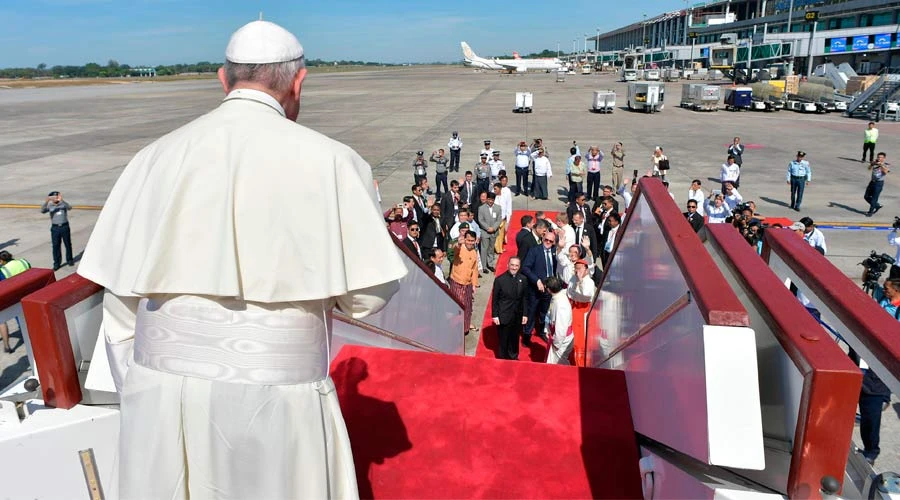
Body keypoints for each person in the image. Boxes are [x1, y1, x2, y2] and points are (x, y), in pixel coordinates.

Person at [76, 20, 409, 499]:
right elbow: (367, 297)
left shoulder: (153, 157)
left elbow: (121, 306)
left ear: (222, 78)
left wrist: (154, 385)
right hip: (279, 400)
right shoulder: (334, 161)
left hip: (162, 395)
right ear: (299, 82)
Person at [853, 274, 900, 465]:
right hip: (866, 354)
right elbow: (868, 282)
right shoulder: (883, 297)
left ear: (897, 290)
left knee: (870, 407)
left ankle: (872, 450)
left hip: (881, 363)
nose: (884, 289)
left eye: (888, 287)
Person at [522, 229, 559, 344]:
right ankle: (527, 334)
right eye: (546, 239)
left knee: (544, 311)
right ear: (543, 238)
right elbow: (525, 268)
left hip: (550, 289)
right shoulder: (534, 251)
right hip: (535, 288)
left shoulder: (555, 251)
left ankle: (541, 331)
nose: (548, 242)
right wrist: (537, 280)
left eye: (551, 241)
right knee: (532, 311)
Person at [491, 257, 529, 360]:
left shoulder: (523, 279)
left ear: (519, 267)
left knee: (514, 338)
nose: (514, 267)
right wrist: (495, 315)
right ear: (508, 265)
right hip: (504, 314)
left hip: (517, 315)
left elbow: (525, 298)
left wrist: (525, 314)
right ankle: (502, 358)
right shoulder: (500, 280)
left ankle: (514, 357)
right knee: (503, 339)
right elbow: (495, 299)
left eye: (516, 265)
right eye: (512, 265)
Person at [0, 251, 32, 353]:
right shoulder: (23, 262)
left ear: (2, 261)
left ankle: (29, 340)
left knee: (22, 321)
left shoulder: (2, 271)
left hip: (16, 298)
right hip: (31, 293)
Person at [449, 232, 479, 335]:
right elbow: (454, 249)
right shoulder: (460, 247)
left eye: (472, 241)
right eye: (468, 240)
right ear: (465, 239)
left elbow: (475, 269)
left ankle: (465, 328)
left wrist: (474, 284)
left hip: (468, 284)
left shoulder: (474, 252)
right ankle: (455, 328)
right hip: (457, 282)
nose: (470, 243)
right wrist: (458, 244)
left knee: (468, 307)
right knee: (458, 307)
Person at [568, 258, 595, 367]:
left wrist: (580, 282)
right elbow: (569, 292)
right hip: (573, 308)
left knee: (581, 339)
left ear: (586, 270)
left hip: (583, 311)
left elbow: (586, 295)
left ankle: (581, 363)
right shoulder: (573, 278)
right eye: (576, 269)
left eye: (579, 269)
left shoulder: (589, 282)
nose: (577, 271)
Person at [41, 190, 74, 271]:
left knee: (68, 244)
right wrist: (47, 201)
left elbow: (69, 207)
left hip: (64, 226)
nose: (56, 198)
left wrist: (62, 200)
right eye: (54, 197)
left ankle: (69, 260)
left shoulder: (63, 205)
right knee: (56, 246)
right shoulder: (50, 206)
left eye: (57, 197)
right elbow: (42, 210)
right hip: (55, 228)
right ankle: (57, 263)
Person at [545, 276, 574, 365]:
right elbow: (549, 314)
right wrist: (547, 329)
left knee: (559, 364)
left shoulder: (561, 304)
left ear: (549, 289)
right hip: (556, 336)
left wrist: (556, 343)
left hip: (562, 340)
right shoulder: (557, 297)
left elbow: (561, 327)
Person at [477, 192, 502, 273]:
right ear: (487, 199)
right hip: (485, 232)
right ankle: (484, 266)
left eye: (492, 200)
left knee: (491, 249)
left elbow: (499, 220)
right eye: (489, 199)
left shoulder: (498, 208)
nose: (490, 201)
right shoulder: (481, 208)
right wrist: (487, 228)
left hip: (494, 232)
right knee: (484, 249)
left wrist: (494, 228)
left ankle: (490, 264)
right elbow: (480, 220)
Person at [864, 152, 890, 217]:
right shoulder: (875, 163)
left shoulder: (886, 164)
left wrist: (881, 165)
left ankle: (870, 212)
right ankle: (877, 205)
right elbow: (869, 169)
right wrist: (872, 164)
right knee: (866, 196)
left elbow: (886, 172)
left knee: (874, 198)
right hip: (872, 182)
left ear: (884, 158)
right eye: (878, 157)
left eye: (881, 157)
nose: (879, 158)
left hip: (879, 183)